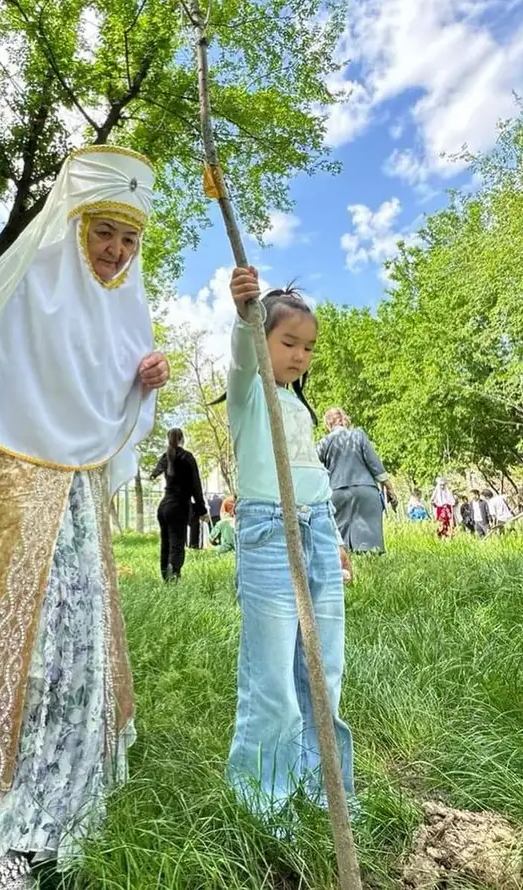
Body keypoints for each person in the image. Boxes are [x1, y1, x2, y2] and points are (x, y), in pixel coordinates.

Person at [0, 146, 170, 890]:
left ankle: (55, 814)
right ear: (74, 223)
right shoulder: (26, 285)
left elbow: (101, 412)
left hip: (73, 508)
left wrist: (140, 384)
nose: (115, 250)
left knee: (72, 657)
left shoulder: (121, 311)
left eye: (129, 239)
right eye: (104, 230)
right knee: (13, 654)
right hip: (9, 490)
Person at [225, 266, 354, 816]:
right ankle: (264, 800)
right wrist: (244, 316)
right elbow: (242, 359)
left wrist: (334, 537)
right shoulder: (249, 393)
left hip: (318, 527)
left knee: (324, 665)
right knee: (273, 675)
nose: (300, 355)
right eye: (287, 342)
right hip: (269, 529)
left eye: (307, 347)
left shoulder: (296, 404)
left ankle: (325, 790)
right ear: (263, 339)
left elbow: (312, 476)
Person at [317, 408, 396, 554]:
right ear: (345, 420)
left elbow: (315, 468)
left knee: (341, 542)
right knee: (370, 544)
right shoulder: (358, 436)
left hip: (337, 491)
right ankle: (370, 565)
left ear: (328, 424)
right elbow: (375, 465)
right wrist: (390, 489)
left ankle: (347, 567)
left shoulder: (323, 442)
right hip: (366, 490)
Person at [151, 428, 206, 581]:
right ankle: (174, 577)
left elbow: (155, 471)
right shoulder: (187, 457)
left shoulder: (167, 456)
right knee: (177, 544)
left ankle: (165, 577)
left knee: (165, 543)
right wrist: (202, 509)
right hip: (179, 507)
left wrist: (154, 473)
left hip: (163, 507)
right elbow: (196, 486)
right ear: (182, 439)